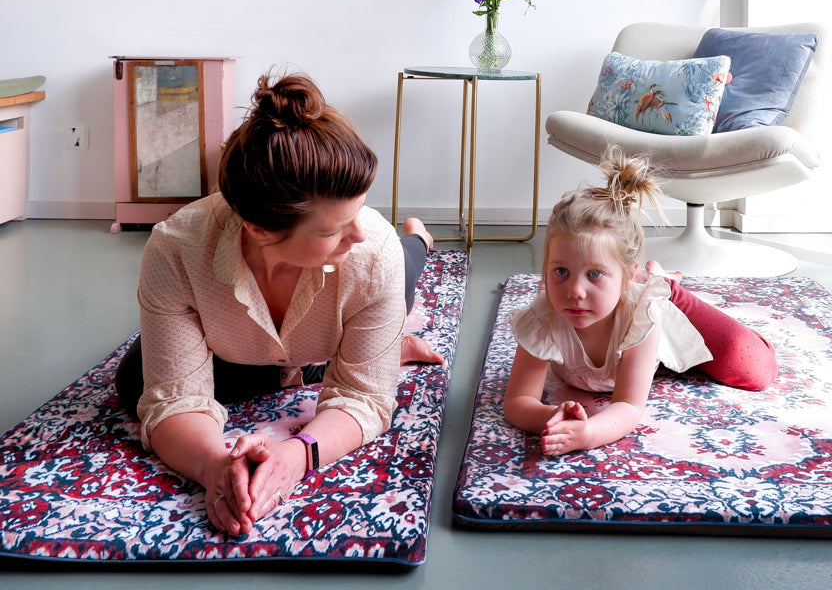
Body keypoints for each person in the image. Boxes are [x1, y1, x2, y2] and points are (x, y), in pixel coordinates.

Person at [114, 70, 442, 536]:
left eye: (358, 210)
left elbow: (365, 396)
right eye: (332, 229)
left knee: (400, 260)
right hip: (244, 344)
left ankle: (420, 240)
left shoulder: (370, 249)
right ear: (259, 229)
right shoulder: (177, 249)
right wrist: (215, 466)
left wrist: (296, 455)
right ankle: (357, 352)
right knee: (134, 382)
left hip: (383, 272)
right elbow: (176, 399)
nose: (358, 232)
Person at [503, 147, 777, 455]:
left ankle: (662, 284)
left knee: (753, 368)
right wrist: (552, 418)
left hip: (647, 313)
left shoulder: (642, 314)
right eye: (561, 271)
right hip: (621, 293)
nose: (575, 291)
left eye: (594, 274)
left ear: (625, 275)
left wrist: (590, 432)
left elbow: (629, 405)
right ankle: (637, 275)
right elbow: (516, 401)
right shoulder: (544, 317)